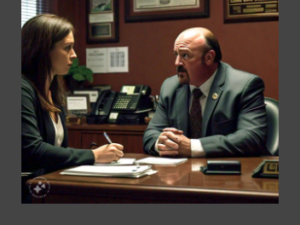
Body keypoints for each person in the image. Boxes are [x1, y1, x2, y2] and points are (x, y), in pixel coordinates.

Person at [22, 14, 124, 202]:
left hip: (50, 186)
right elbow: (33, 150)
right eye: (67, 48)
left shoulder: (53, 90)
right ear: (44, 50)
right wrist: (93, 155)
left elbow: (60, 151)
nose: (74, 54)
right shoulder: (21, 89)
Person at [143, 27, 269, 158]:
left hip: (230, 172)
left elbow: (252, 138)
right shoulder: (170, 87)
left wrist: (192, 147)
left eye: (185, 55)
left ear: (209, 58)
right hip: (182, 173)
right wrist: (162, 144)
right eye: (176, 54)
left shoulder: (244, 86)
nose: (177, 63)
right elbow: (151, 133)